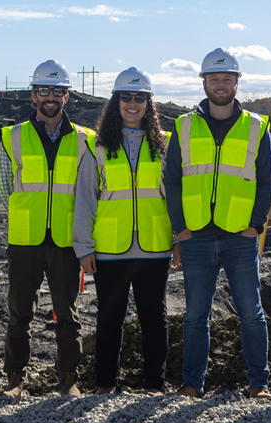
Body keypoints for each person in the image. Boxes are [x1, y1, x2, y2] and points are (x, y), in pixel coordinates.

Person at [164, 48, 271, 398]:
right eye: (215, 79)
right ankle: (192, 384)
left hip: (240, 235)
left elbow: (266, 182)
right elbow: (173, 181)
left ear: (237, 82)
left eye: (227, 78)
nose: (221, 84)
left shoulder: (257, 127)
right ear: (204, 83)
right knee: (196, 316)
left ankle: (259, 383)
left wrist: (255, 226)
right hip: (196, 235)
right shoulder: (183, 126)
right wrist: (180, 229)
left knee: (251, 314)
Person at [73, 67, 178, 396]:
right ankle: (105, 385)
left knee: (154, 319)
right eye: (126, 98)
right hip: (110, 247)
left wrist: (177, 240)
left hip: (154, 245)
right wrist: (84, 247)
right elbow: (86, 198)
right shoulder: (97, 146)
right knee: (109, 319)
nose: (132, 104)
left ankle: (154, 386)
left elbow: (175, 197)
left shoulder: (165, 145)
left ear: (149, 104)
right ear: (116, 102)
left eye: (139, 98)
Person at [0, 60, 94, 398]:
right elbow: (6, 187)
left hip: (67, 240)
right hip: (26, 238)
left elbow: (89, 189)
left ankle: (69, 378)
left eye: (57, 91)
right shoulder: (13, 136)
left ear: (67, 96)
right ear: (33, 95)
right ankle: (14, 379)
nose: (50, 97)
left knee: (68, 314)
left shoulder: (86, 140)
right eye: (43, 90)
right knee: (19, 312)